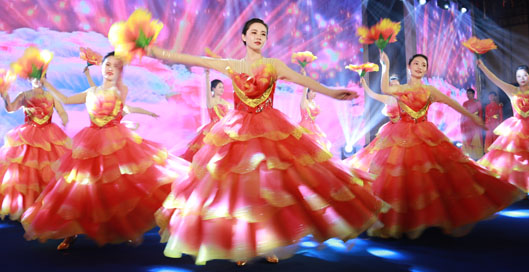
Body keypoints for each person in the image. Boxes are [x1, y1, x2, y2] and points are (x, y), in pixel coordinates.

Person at [149, 18, 384, 265]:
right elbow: (196, 60)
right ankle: (243, 246)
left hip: (270, 131)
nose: (258, 37)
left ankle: (267, 244)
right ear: (244, 37)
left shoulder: (273, 65)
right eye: (254, 32)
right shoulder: (232, 64)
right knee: (241, 191)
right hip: (237, 133)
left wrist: (331, 92)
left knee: (269, 190)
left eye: (263, 33)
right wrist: (159, 53)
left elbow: (302, 80)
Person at [347, 51, 524, 239]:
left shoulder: (430, 91)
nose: (420, 67)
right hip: (400, 134)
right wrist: (385, 66)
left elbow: (452, 103)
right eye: (416, 64)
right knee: (399, 177)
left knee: (429, 176)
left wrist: (472, 117)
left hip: (425, 133)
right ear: (409, 67)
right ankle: (401, 220)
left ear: (426, 70)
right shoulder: (401, 89)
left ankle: (428, 219)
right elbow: (385, 88)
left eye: (423, 65)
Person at [20, 52, 188, 250]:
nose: (110, 69)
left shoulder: (120, 89)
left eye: (116, 66)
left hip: (116, 141)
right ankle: (70, 232)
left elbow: (117, 91)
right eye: (107, 64)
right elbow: (65, 99)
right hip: (89, 143)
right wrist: (46, 83)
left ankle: (126, 229)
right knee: (77, 189)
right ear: (101, 66)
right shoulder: (90, 92)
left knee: (119, 189)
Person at [0, 77, 71, 220]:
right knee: (27, 172)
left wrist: (64, 118)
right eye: (34, 77)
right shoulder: (24, 95)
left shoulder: (51, 96)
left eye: (41, 76)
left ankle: (47, 206)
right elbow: (11, 108)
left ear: (45, 78)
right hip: (28, 135)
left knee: (48, 170)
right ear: (30, 79)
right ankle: (27, 207)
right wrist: (5, 97)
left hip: (49, 135)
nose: (37, 80)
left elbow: (61, 111)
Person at [477, 61, 529, 196]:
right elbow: (495, 79)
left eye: (525, 76)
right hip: (517, 128)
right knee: (517, 160)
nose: (522, 79)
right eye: (519, 76)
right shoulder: (512, 90)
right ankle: (519, 188)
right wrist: (482, 66)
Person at [181, 69, 231, 161]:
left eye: (222, 87)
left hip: (224, 128)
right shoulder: (211, 101)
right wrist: (207, 77)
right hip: (213, 128)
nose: (222, 89)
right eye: (219, 87)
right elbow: (207, 92)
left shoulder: (224, 102)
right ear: (213, 89)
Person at [299, 68, 330, 150]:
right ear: (308, 93)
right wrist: (304, 77)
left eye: (315, 91)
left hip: (314, 128)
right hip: (305, 127)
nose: (315, 93)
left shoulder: (314, 103)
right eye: (312, 91)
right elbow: (305, 89)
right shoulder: (304, 102)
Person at [460, 88, 484, 160]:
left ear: (473, 94)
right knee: (468, 139)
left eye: (470, 93)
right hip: (467, 124)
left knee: (476, 139)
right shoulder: (465, 103)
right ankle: (468, 156)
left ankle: (477, 157)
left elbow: (480, 114)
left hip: (475, 123)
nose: (468, 95)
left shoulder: (477, 102)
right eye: (467, 94)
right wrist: (462, 123)